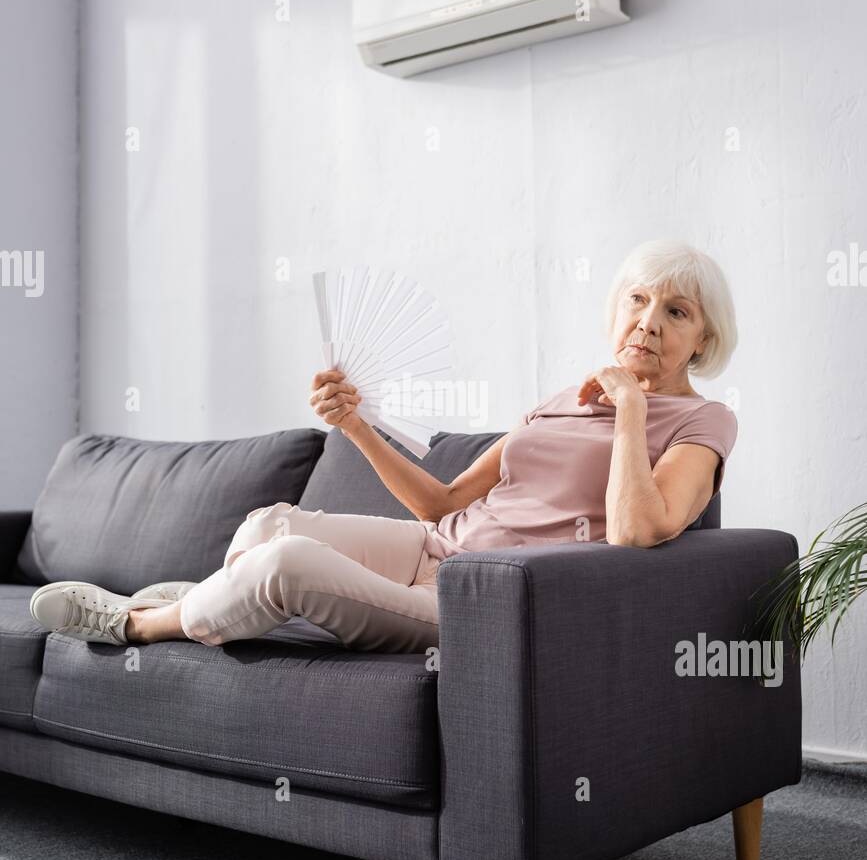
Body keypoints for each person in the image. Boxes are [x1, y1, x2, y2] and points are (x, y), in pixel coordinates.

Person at [30, 239, 738, 654]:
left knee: (287, 563)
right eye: (636, 302)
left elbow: (638, 530)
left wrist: (633, 409)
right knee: (270, 524)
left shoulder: (700, 424)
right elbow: (442, 502)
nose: (647, 321)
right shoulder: (559, 401)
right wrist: (355, 425)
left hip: (488, 602)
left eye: (674, 312)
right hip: (433, 550)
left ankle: (135, 624)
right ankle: (215, 601)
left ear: (701, 341)